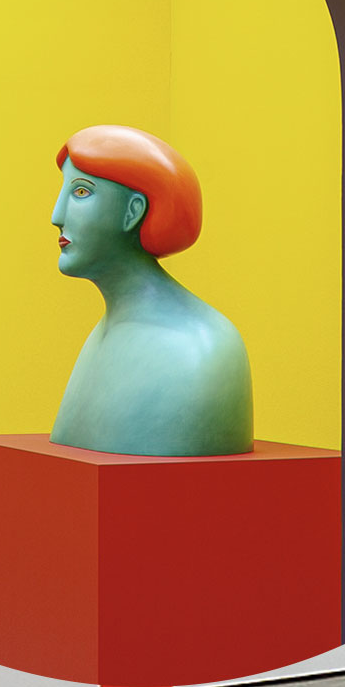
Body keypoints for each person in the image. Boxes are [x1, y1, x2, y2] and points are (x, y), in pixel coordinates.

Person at [50, 124, 253, 456]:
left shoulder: (200, 351)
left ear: (133, 212)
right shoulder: (103, 337)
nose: (56, 215)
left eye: (81, 192)